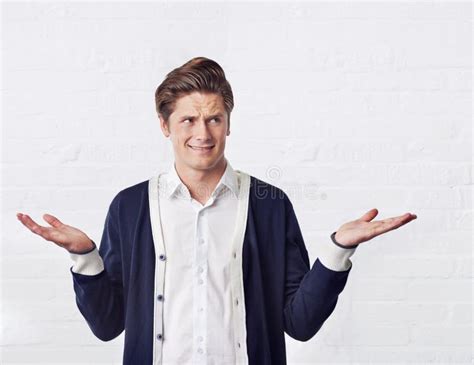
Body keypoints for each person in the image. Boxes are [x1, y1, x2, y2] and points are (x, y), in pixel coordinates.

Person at [17, 56, 417, 365]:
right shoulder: (130, 206)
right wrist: (86, 257)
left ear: (228, 123)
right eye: (188, 119)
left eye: (214, 119)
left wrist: (337, 250)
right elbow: (108, 325)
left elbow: (299, 323)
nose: (202, 133)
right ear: (165, 125)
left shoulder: (270, 205)